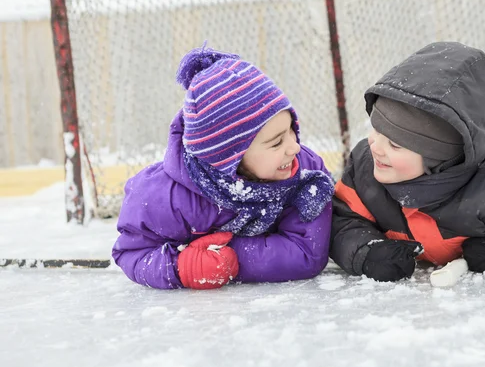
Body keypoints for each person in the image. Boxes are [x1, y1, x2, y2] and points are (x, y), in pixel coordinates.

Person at [330, 42, 485, 282]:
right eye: (376, 130)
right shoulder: (365, 170)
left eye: (395, 145)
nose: (375, 146)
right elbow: (341, 219)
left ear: (439, 159)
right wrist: (367, 252)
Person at [112, 45, 335, 289]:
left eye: (292, 129)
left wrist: (228, 255)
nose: (294, 147)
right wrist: (182, 267)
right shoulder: (168, 197)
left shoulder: (306, 173)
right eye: (276, 142)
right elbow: (131, 252)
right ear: (228, 158)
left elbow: (306, 254)